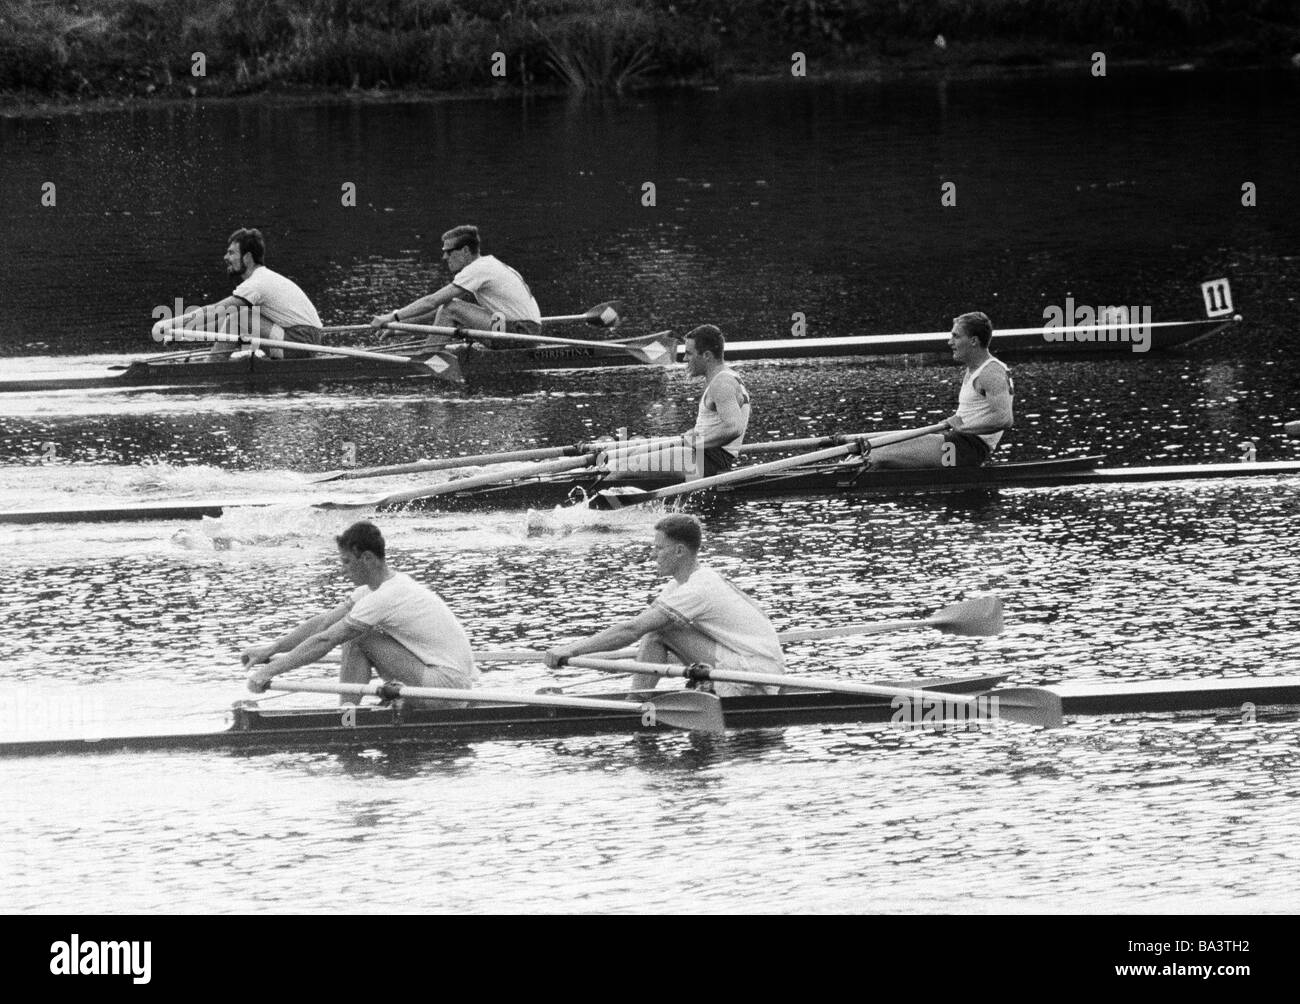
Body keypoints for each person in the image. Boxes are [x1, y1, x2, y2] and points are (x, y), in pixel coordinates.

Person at [543, 514, 782, 697]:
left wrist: (572, 650)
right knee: (656, 633)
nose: (652, 555)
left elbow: (632, 630)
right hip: (746, 664)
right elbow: (639, 634)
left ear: (679, 551)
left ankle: (635, 706)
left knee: (658, 631)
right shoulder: (680, 585)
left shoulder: (700, 586)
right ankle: (638, 700)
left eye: (658, 548)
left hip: (758, 676)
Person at [243, 521, 476, 706]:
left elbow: (326, 640)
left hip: (447, 687)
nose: (342, 570)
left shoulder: (386, 596)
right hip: (445, 680)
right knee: (353, 632)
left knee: (356, 636)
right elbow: (322, 624)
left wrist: (266, 672)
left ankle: (346, 717)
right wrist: (271, 649)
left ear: (366, 558)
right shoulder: (374, 591)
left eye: (346, 562)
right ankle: (348, 713)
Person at [868, 311, 1014, 469]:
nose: (950, 342)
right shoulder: (976, 369)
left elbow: (1004, 419)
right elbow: (976, 411)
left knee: (876, 455)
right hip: (958, 442)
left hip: (967, 451)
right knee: (872, 449)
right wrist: (955, 421)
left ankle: (845, 479)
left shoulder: (990, 373)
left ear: (973, 341)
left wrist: (962, 427)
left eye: (956, 336)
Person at [155, 227, 324, 360]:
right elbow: (220, 322)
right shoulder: (263, 278)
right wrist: (181, 333)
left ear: (247, 258)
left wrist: (169, 324)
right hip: (306, 340)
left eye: (231, 253)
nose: (225, 257)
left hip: (301, 342)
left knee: (237, 317)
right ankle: (216, 361)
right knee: (238, 316)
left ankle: (213, 367)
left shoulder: (256, 283)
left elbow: (215, 310)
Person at [370, 225, 541, 348]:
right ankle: (433, 355)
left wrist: (391, 317)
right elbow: (436, 311)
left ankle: (429, 357)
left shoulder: (478, 268)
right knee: (450, 307)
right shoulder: (487, 264)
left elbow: (432, 301)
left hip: (520, 332)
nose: (445, 257)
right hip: (518, 330)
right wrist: (399, 329)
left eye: (449, 251)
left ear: (465, 251)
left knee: (451, 307)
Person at [618, 324, 751, 481]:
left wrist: (696, 442)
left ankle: (594, 500)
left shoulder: (722, 383)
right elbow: (718, 425)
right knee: (631, 454)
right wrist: (696, 435)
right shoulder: (727, 377)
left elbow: (734, 427)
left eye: (689, 353)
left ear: (707, 355)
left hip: (707, 460)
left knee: (620, 468)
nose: (685, 359)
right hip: (705, 456)